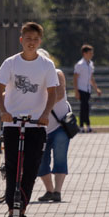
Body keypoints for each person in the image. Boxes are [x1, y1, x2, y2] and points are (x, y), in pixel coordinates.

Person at [0, 22, 59, 217]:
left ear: (40, 42)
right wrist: (4, 111)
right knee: (13, 167)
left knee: (31, 169)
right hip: (12, 123)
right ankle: (12, 210)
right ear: (21, 40)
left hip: (36, 125)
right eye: (28, 39)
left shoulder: (46, 65)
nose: (31, 43)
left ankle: (21, 212)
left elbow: (53, 93)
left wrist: (45, 114)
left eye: (35, 40)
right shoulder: (10, 63)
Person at [38, 62, 71, 203]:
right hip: (40, 127)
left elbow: (59, 94)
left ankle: (57, 191)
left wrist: (40, 104)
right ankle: (49, 190)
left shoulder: (57, 73)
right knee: (40, 161)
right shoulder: (34, 77)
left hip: (60, 125)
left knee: (60, 158)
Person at [73, 45, 101, 134]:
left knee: (86, 108)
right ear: (84, 53)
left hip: (88, 89)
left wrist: (96, 89)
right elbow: (75, 78)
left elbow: (91, 78)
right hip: (81, 89)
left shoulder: (91, 64)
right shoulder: (80, 64)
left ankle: (87, 126)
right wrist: (76, 91)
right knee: (83, 108)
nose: (91, 54)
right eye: (89, 53)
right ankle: (82, 127)